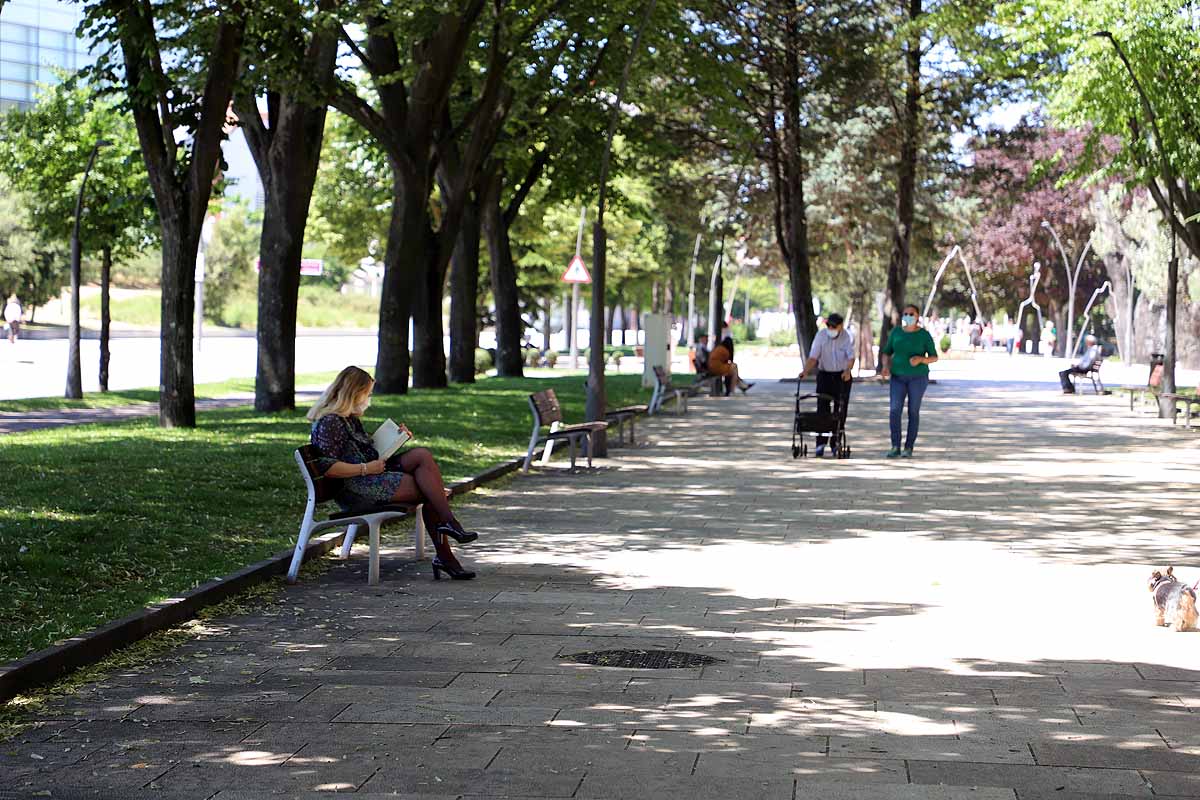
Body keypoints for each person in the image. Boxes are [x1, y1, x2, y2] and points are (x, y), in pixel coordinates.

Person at [307, 366, 478, 580]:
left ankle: (448, 529)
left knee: (421, 456)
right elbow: (328, 468)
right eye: (366, 394)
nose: (368, 399)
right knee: (431, 491)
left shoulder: (348, 418)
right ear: (353, 392)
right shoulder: (330, 423)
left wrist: (396, 438)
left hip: (369, 478)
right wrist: (366, 468)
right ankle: (447, 548)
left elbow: (367, 451)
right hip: (356, 490)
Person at [881, 304, 938, 458]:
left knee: (913, 411)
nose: (908, 316)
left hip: (918, 378)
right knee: (894, 410)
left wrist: (921, 359)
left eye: (911, 314)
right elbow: (887, 352)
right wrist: (885, 366)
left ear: (917, 316)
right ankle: (895, 446)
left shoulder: (924, 335)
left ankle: (909, 447)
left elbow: (934, 357)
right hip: (897, 377)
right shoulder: (896, 332)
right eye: (905, 314)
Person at [799, 313, 855, 457]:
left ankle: (836, 442)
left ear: (841, 326)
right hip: (824, 375)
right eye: (828, 325)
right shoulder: (821, 336)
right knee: (822, 409)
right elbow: (813, 357)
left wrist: (848, 371)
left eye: (834, 326)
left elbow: (851, 357)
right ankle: (820, 443)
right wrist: (805, 371)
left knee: (840, 410)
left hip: (842, 376)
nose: (831, 328)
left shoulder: (846, 337)